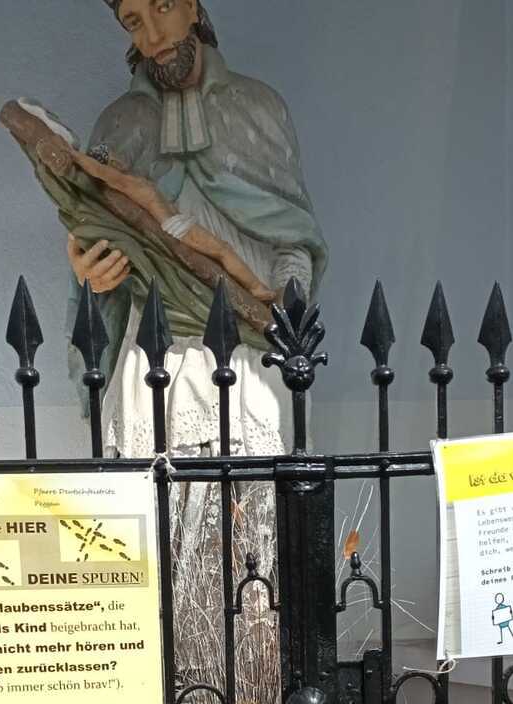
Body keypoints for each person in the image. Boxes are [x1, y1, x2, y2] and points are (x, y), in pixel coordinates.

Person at [67, 0, 328, 460]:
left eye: (163, 6)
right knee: (162, 492)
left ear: (192, 7)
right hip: (155, 354)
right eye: (133, 21)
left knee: (253, 495)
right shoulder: (118, 124)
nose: (153, 35)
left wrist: (285, 316)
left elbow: (294, 238)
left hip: (251, 352)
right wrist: (89, 272)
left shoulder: (258, 106)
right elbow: (94, 223)